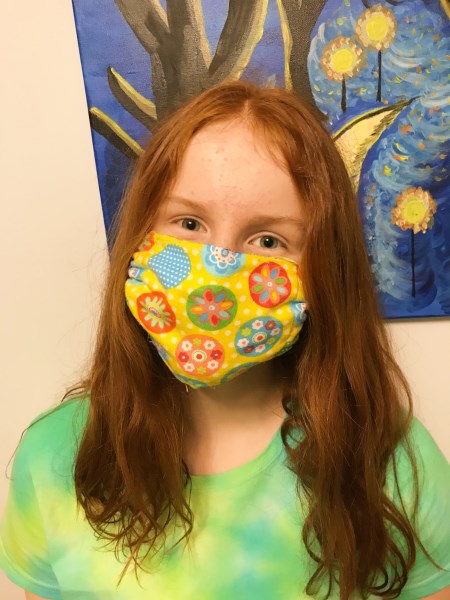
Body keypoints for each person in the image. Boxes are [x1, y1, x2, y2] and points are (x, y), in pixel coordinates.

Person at [1, 81, 449, 600]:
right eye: (188, 223)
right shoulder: (58, 455)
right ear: (141, 234)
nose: (218, 269)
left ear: (325, 268)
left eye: (268, 240)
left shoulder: (386, 459)